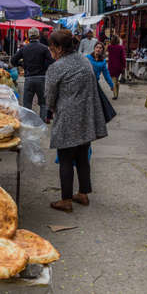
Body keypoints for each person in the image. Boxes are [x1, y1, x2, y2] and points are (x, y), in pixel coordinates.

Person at [46, 29, 108, 213]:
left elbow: (49, 97)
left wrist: (52, 109)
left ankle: (66, 199)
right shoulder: (84, 60)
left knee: (65, 158)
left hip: (67, 117)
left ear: (58, 47)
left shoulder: (57, 67)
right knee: (82, 156)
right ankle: (83, 193)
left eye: (51, 47)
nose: (50, 51)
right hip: (86, 115)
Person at [11, 27, 55, 122]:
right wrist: (44, 67)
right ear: (38, 36)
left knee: (27, 104)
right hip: (42, 78)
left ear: (29, 36)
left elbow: (13, 61)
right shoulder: (44, 48)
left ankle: (28, 123)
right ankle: (42, 123)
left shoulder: (24, 48)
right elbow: (52, 62)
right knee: (43, 103)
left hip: (29, 79)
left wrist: (22, 64)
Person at [107, 35, 126, 100]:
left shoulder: (109, 47)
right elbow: (123, 58)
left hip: (112, 66)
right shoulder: (121, 47)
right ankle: (116, 93)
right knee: (117, 80)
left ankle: (115, 95)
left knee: (114, 80)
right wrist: (124, 66)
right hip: (119, 66)